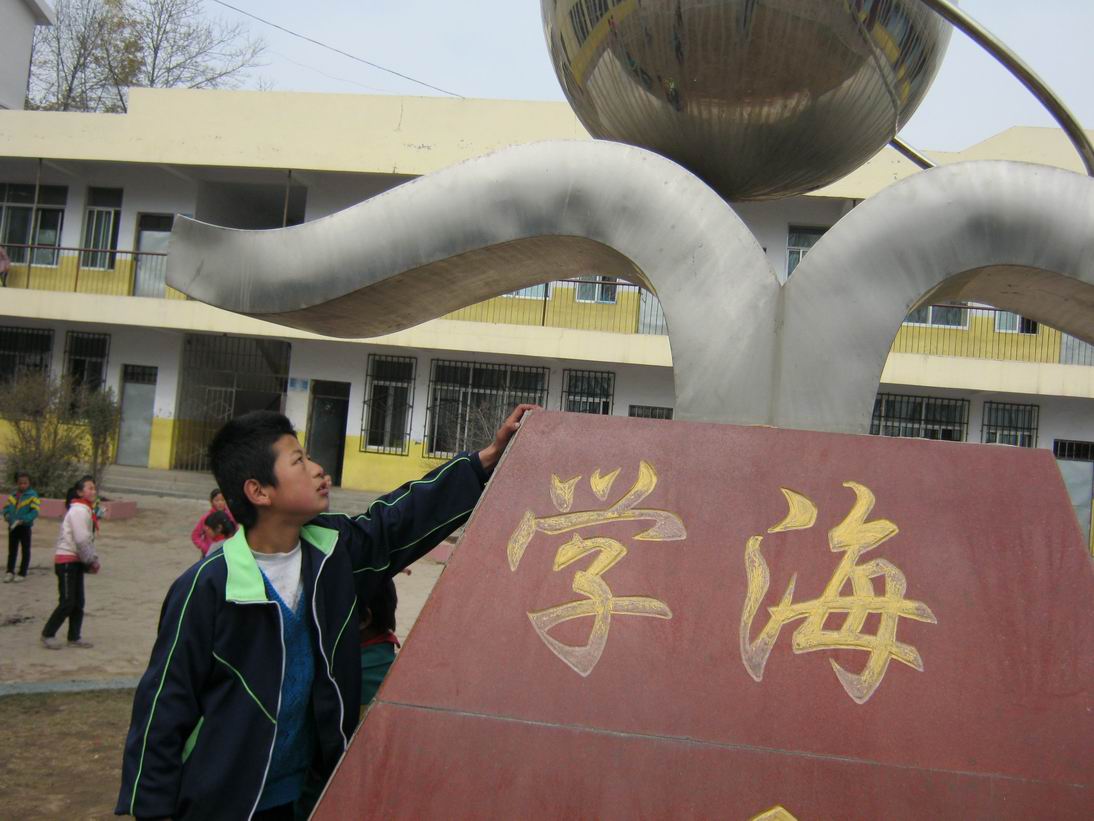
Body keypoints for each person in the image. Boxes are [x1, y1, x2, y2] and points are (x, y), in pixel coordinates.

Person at [117, 404, 535, 820]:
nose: (319, 470)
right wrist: (153, 810)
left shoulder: (333, 552)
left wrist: (484, 460)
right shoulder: (207, 588)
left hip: (308, 794)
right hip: (226, 802)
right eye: (299, 461)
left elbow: (394, 523)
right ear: (259, 491)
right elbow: (164, 705)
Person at [40, 476, 101, 650]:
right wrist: (91, 560)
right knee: (67, 601)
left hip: (76, 560)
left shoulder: (86, 510)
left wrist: (90, 559)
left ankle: (74, 637)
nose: (93, 491)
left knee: (78, 602)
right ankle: (48, 633)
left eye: (94, 488)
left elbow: (87, 539)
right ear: (80, 492)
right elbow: (81, 540)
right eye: (89, 488)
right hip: (66, 561)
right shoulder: (79, 511)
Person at [4, 472, 41, 583]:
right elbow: (6, 508)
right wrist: (7, 516)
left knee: (25, 550)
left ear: (29, 483)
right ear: (17, 483)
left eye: (25, 483)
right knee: (12, 550)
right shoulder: (13, 495)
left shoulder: (33, 496)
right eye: (20, 483)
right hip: (13, 526)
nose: (23, 485)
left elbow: (35, 512)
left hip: (25, 527)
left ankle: (22, 573)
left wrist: (24, 519)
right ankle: (10, 571)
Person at [190, 488, 234, 556]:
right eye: (217, 500)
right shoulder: (206, 518)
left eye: (222, 500)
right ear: (211, 501)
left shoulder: (230, 516)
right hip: (209, 553)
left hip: (226, 551)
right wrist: (206, 548)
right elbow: (195, 535)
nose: (220, 503)